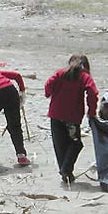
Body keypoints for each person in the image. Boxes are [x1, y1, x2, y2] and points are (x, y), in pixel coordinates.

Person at [44, 54, 99, 184]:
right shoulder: (84, 77)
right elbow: (93, 93)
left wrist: (50, 94)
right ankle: (66, 170)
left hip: (55, 114)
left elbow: (48, 86)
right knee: (75, 143)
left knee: (60, 145)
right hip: (72, 117)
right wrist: (91, 112)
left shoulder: (60, 73)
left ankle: (66, 174)